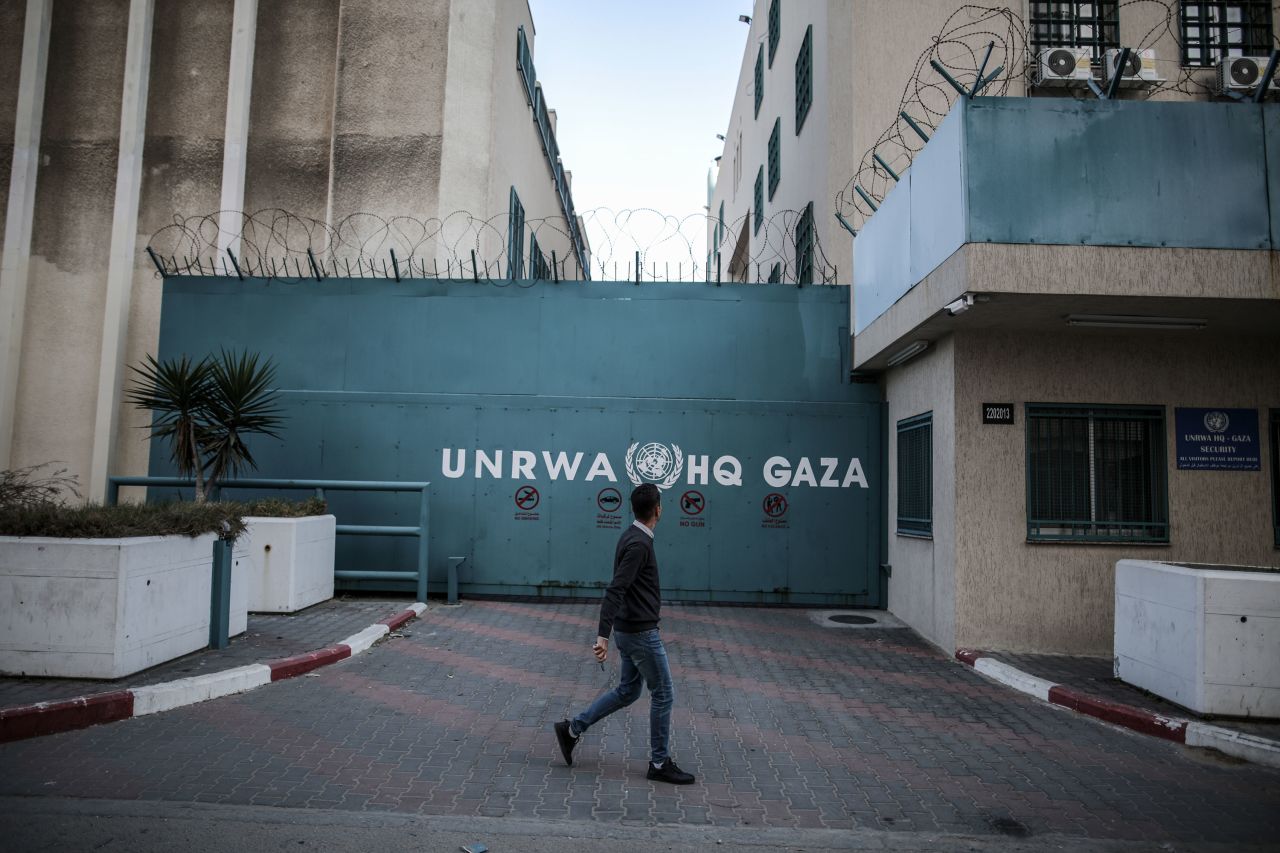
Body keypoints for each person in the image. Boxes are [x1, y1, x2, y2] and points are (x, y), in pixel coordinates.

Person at [553, 483, 695, 784]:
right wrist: (602, 635)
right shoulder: (639, 544)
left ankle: (571, 730)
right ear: (658, 509)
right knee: (664, 693)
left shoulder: (632, 536)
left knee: (629, 691)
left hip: (631, 630)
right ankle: (659, 763)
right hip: (641, 634)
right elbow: (616, 589)